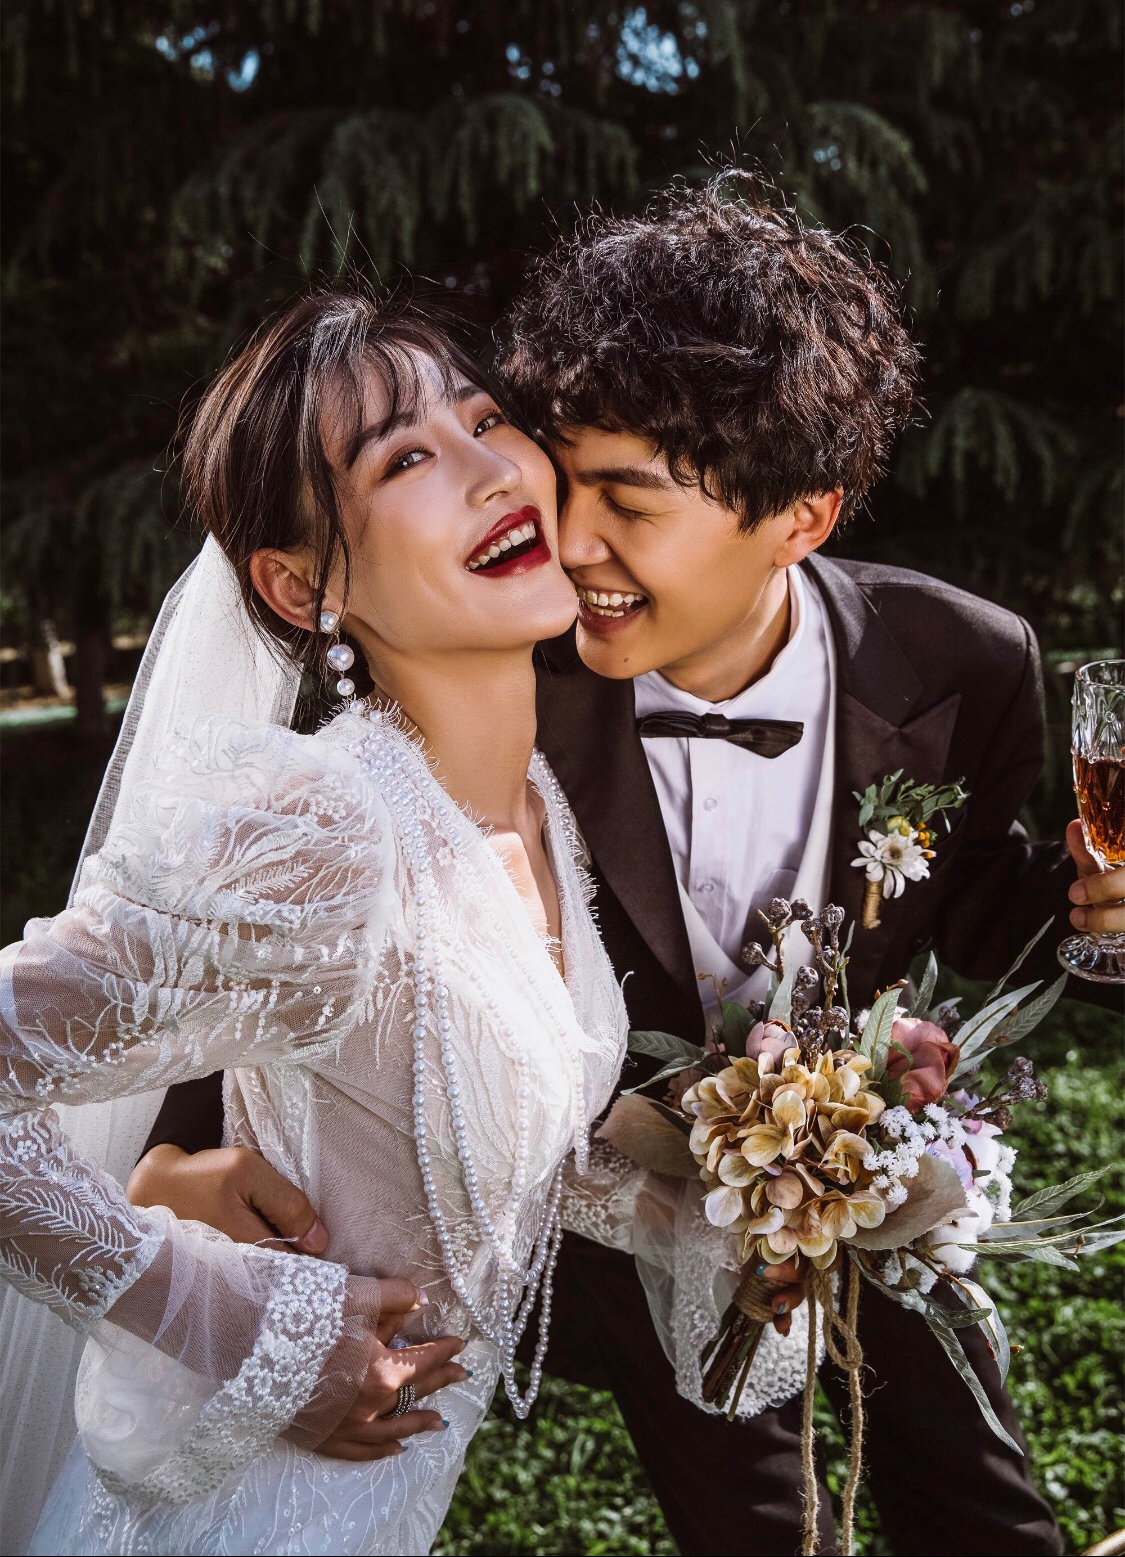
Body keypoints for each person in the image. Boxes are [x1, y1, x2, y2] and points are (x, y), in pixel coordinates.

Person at [123, 176, 1123, 1555]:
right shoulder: (492, 668)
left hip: (881, 1179)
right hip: (640, 1229)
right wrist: (170, 1156)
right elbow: (283, 933)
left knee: (987, 1506)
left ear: (804, 516)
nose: (570, 537)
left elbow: (988, 896)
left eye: (630, 503)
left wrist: (1101, 918)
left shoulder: (964, 658)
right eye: (567, 472)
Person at [0, 292, 633, 1556]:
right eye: (404, 459)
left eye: (485, 420)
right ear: (303, 587)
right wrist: (238, 1321)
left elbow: (482, 1143)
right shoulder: (322, 837)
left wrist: (769, 1192)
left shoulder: (534, 808)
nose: (492, 471)